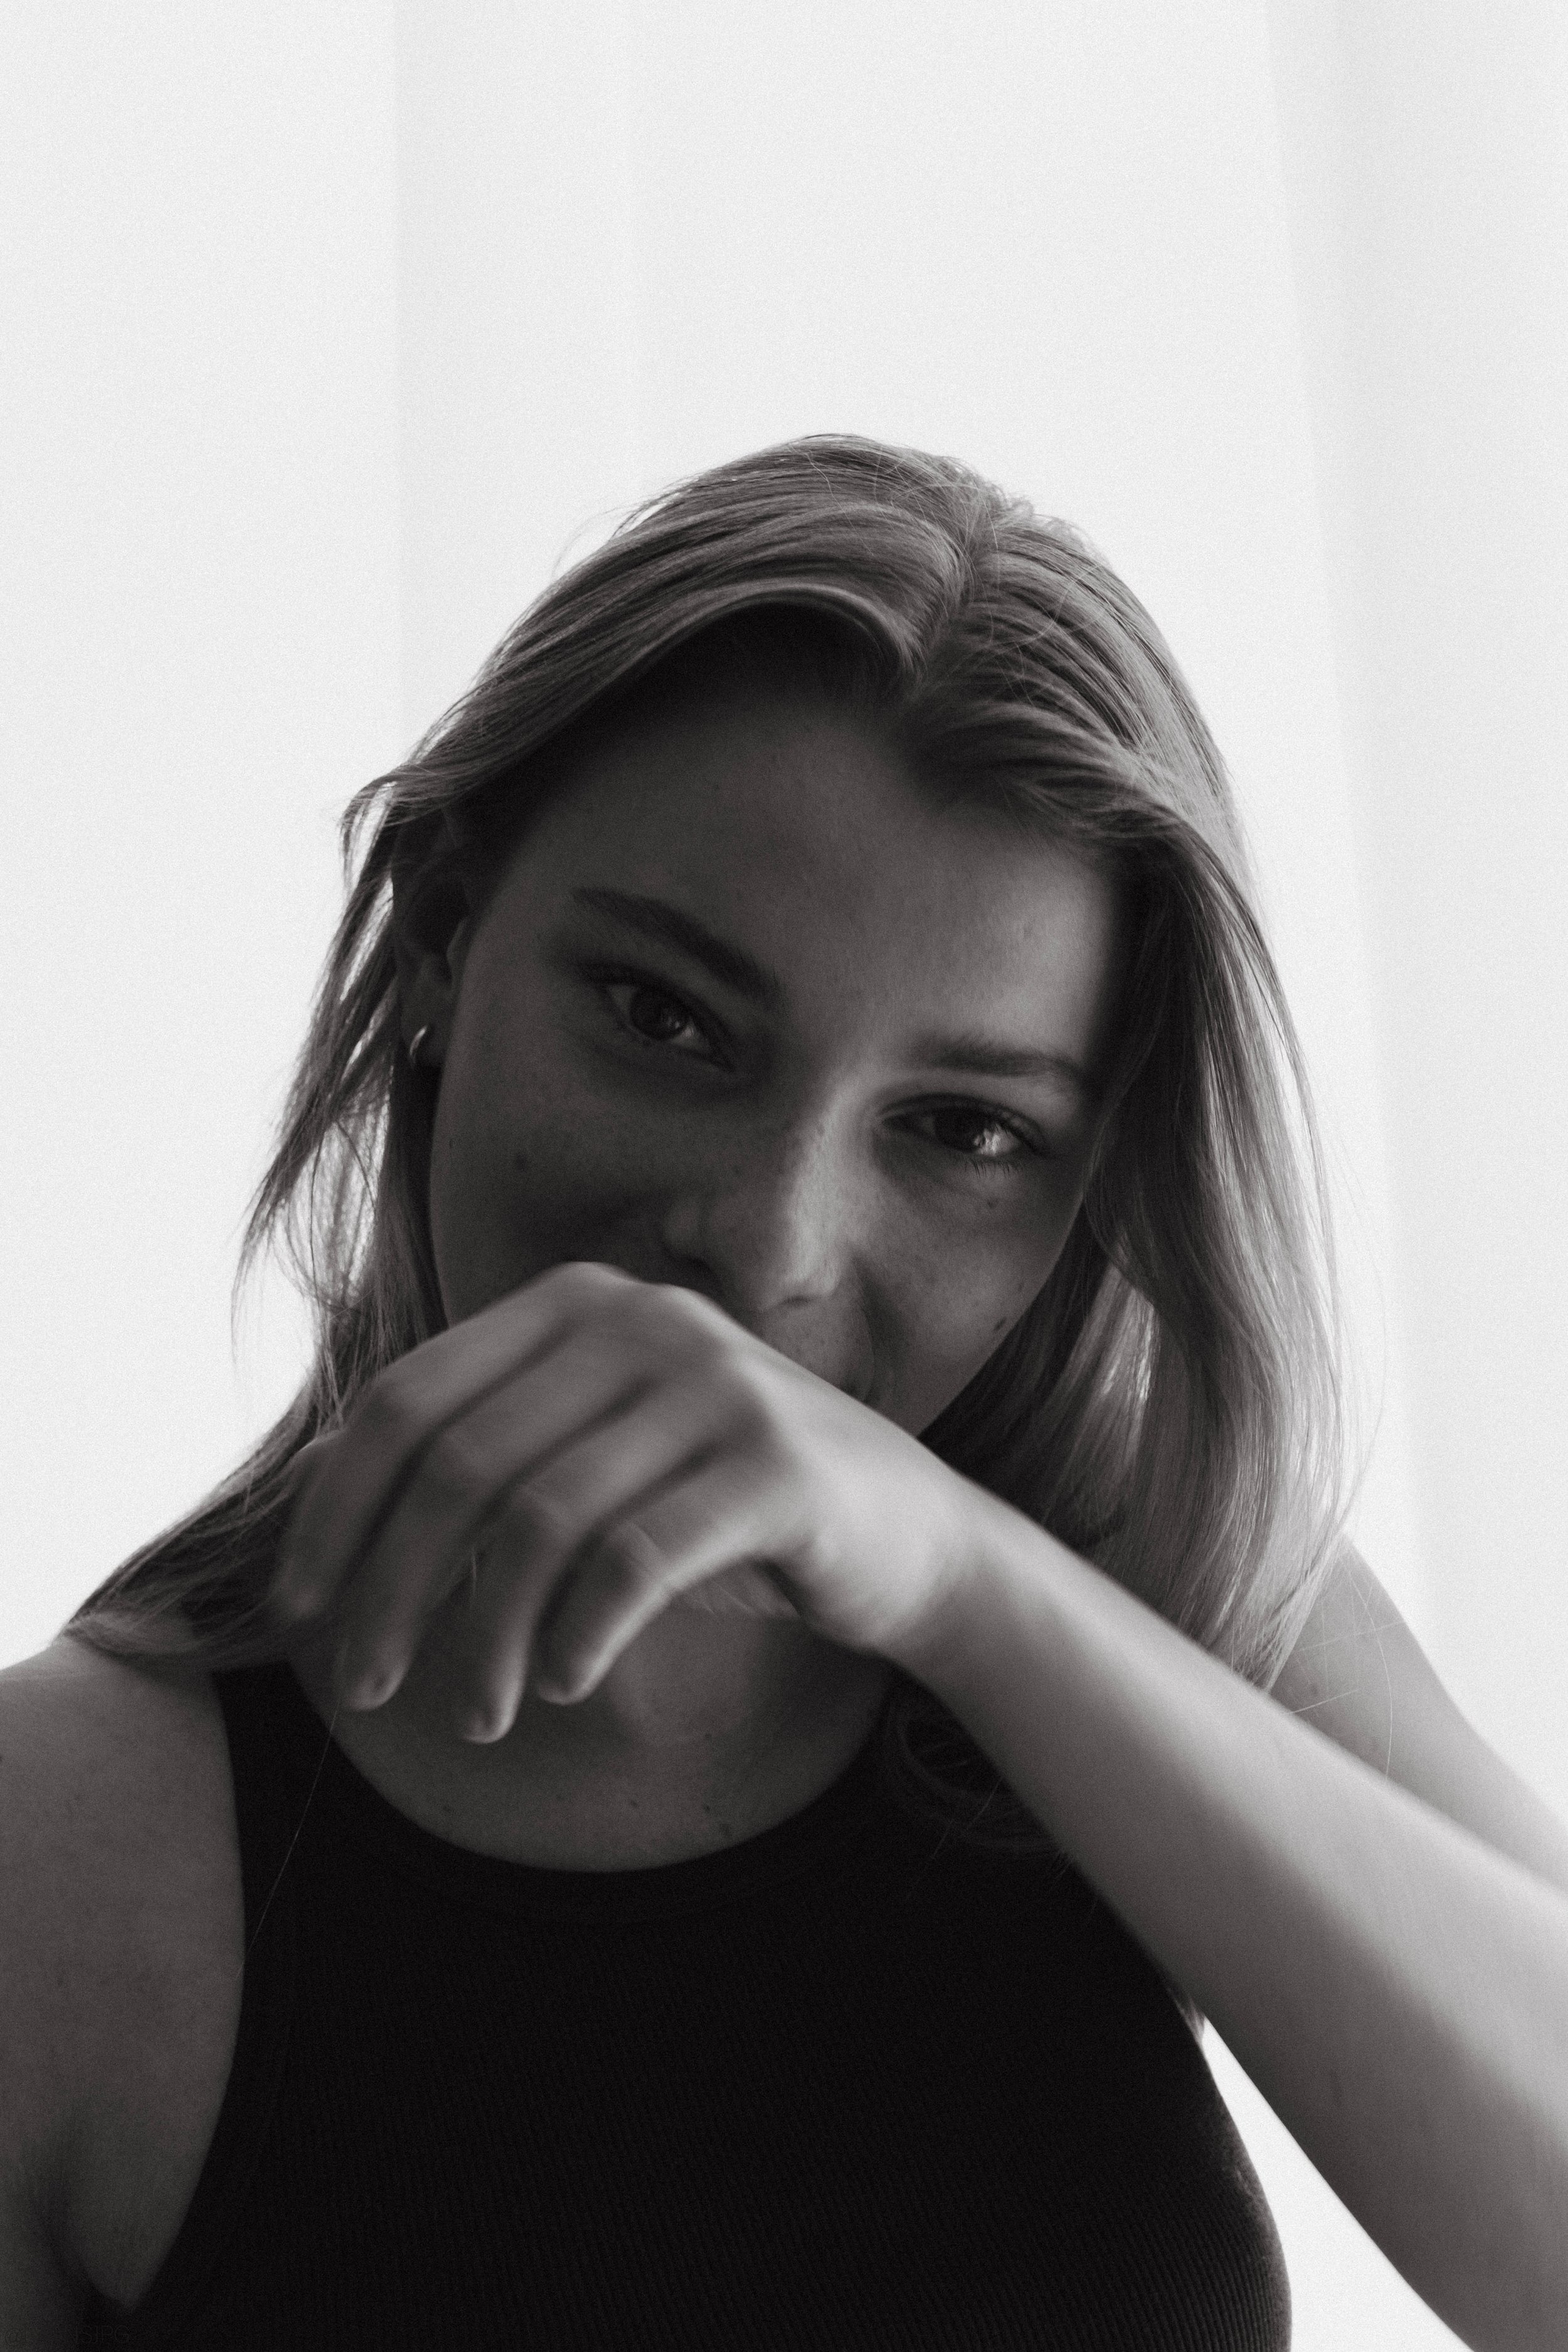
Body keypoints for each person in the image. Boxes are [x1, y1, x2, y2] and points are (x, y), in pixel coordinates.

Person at [3, 438, 1566, 2352]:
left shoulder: (1158, 1570)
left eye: (963, 1130)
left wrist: (957, 1583)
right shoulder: (72, 1845)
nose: (763, 1243)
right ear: (435, 934)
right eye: (665, 1019)